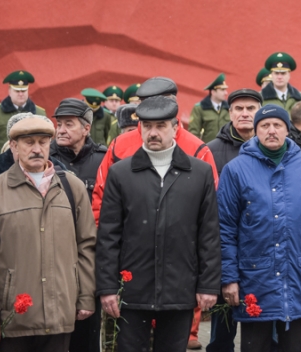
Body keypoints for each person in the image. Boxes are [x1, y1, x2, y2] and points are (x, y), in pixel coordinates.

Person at [90, 77, 218, 349]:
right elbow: (109, 235)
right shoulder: (121, 173)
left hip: (179, 288)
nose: (153, 133)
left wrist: (208, 285)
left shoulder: (199, 173)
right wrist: (108, 288)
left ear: (175, 127)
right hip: (132, 289)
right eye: (147, 126)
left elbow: (208, 233)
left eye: (161, 126)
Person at [217, 105, 301, 352]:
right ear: (256, 130)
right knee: (255, 345)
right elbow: (225, 229)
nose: (271, 131)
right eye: (264, 125)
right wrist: (229, 278)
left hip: (298, 274)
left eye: (277, 125)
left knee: (293, 345)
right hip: (255, 277)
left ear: (287, 130)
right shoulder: (236, 170)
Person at [0, 115, 96, 352]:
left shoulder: (72, 187)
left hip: (60, 316)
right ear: (14, 146)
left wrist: (86, 296)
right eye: (29, 142)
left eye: (43, 142)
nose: (37, 149)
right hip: (14, 319)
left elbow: (87, 246)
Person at [48, 98, 108, 351]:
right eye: (59, 124)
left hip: (89, 260)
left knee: (87, 333)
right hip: (53, 259)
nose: (61, 130)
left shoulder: (103, 160)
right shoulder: (46, 159)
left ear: (86, 128)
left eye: (69, 124)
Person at [205, 88, 262, 352]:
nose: (245, 113)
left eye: (251, 108)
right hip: (223, 247)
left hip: (261, 252)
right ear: (230, 113)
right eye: (239, 108)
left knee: (263, 329)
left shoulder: (273, 148)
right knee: (222, 330)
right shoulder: (211, 151)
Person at [0, 70, 46, 158]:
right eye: (17, 91)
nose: (20, 94)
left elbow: (45, 140)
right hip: (1, 161)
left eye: (23, 91)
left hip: (31, 159)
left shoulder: (39, 113)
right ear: (9, 91)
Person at [189, 73, 231, 143]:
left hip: (227, 147)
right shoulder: (200, 108)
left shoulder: (229, 108)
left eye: (225, 90)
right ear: (213, 92)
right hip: (208, 147)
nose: (226, 93)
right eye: (222, 90)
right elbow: (194, 132)